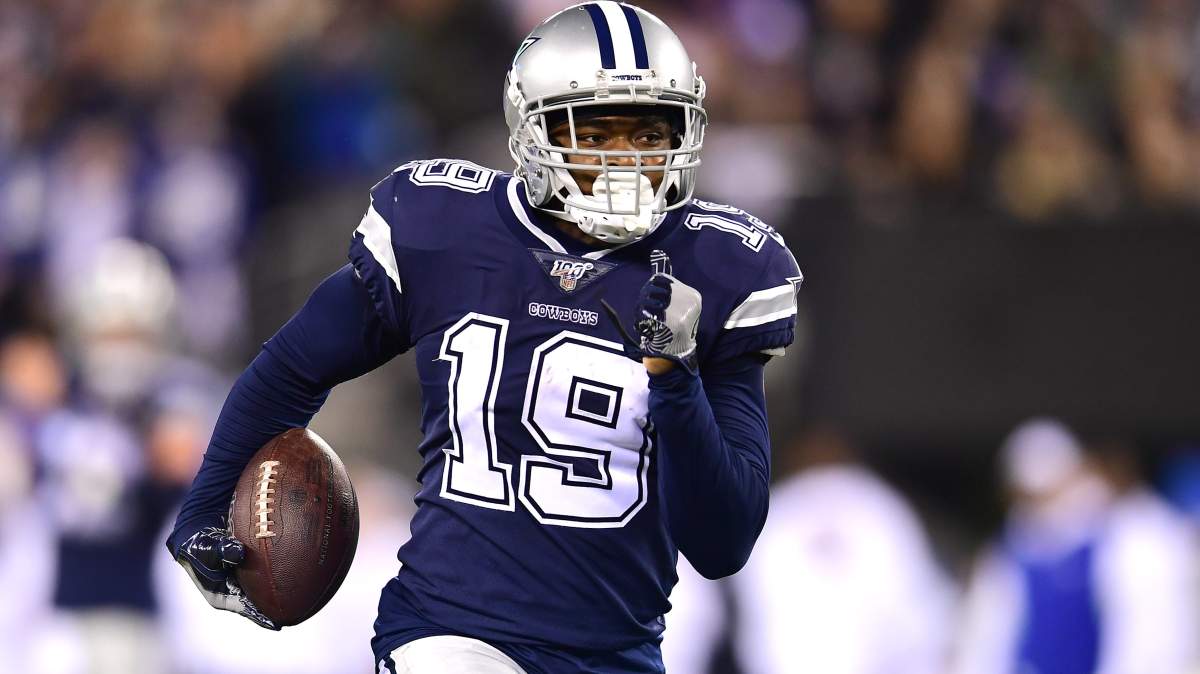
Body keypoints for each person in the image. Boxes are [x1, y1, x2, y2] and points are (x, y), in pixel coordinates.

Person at [166, 3, 803, 673]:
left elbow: (722, 543)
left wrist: (676, 380)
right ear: (532, 129)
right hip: (451, 634)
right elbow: (294, 367)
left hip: (616, 652)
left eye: (649, 132)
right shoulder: (449, 233)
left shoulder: (719, 270)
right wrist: (204, 508)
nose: (625, 160)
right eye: (596, 131)